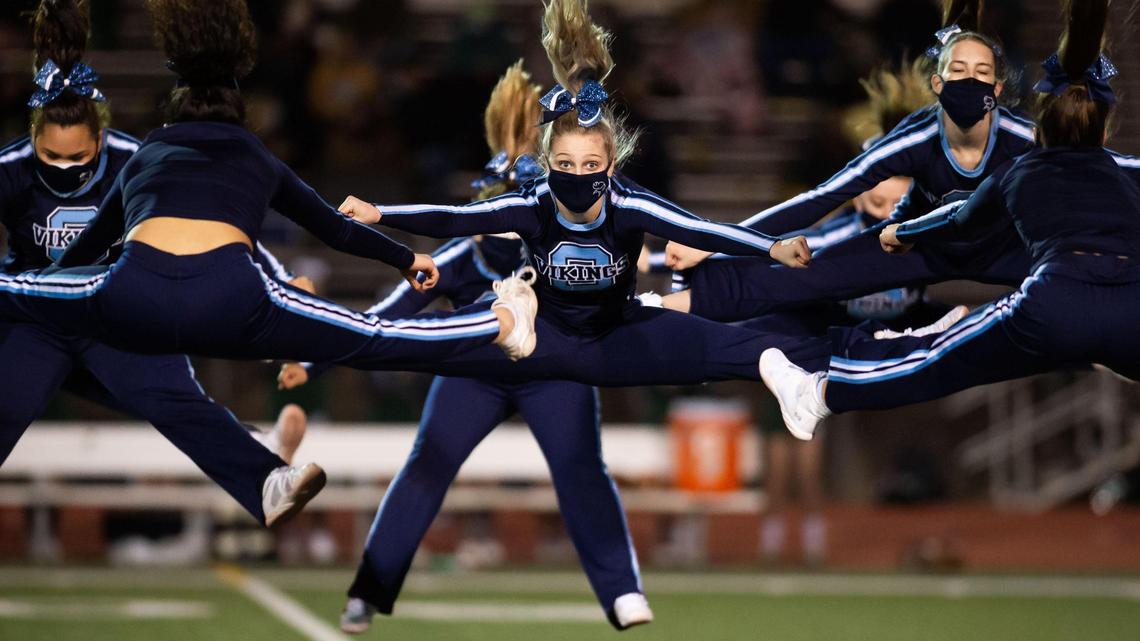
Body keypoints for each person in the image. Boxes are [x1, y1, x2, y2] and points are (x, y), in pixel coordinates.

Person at [291, 61, 650, 633]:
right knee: (426, 466)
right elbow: (386, 315)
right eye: (487, 209)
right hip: (475, 373)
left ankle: (623, 592)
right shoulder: (458, 260)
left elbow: (609, 240)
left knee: (582, 470)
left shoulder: (557, 239)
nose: (496, 223)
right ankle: (369, 590)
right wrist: (311, 357)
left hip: (553, 367)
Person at [334, 0, 837, 390]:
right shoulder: (532, 204)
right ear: (546, 165)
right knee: (414, 345)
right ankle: (323, 339)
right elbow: (453, 219)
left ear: (612, 166)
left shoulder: (628, 203)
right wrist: (380, 212)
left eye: (592, 165)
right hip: (541, 334)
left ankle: (866, 367)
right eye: (565, 165)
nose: (578, 175)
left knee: (755, 351)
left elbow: (700, 229)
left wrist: (771, 247)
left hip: (621, 331)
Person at [760, 0, 1140, 444]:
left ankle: (817, 394)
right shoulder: (1129, 170)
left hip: (1056, 300)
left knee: (941, 358)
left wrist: (902, 231)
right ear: (1106, 133)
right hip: (1132, 306)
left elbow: (957, 222)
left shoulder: (1018, 170)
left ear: (1038, 133)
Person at [0, 0, 308, 528]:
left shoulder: (141, 161)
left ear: (101, 135)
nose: (68, 170)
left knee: (168, 396)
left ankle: (265, 476)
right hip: (44, 318)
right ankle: (259, 443)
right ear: (32, 140)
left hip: (116, 313)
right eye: (53, 157)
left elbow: (216, 226)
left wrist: (285, 290)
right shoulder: (10, 170)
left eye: (81, 158)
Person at [660, 0, 1043, 322]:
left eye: (981, 74)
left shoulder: (1024, 139)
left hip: (998, 249)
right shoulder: (914, 139)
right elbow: (821, 197)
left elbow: (1090, 179)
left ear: (997, 88)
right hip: (917, 248)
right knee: (793, 279)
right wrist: (710, 244)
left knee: (1082, 273)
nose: (969, 83)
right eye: (957, 72)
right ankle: (652, 307)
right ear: (938, 84)